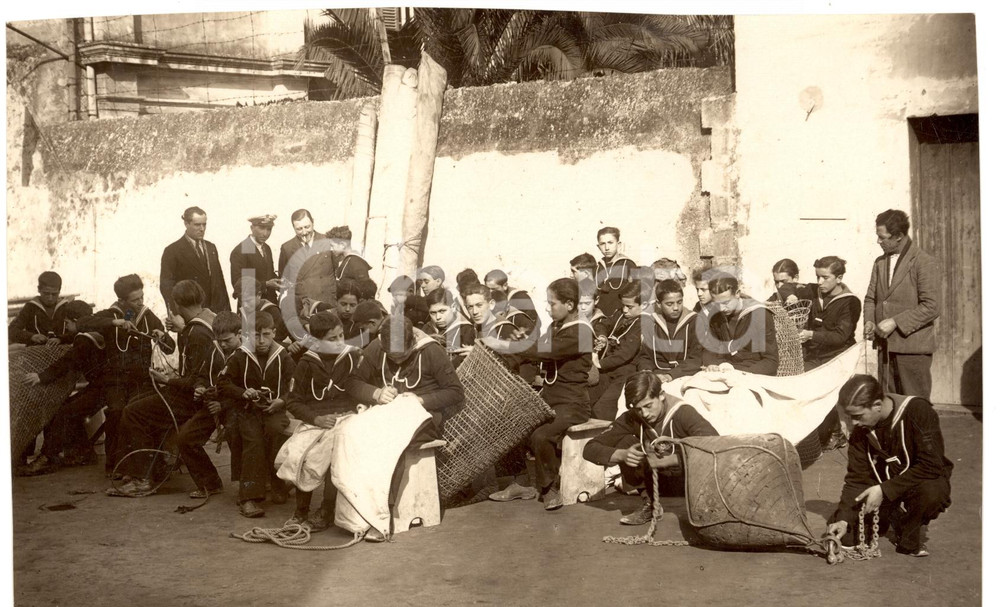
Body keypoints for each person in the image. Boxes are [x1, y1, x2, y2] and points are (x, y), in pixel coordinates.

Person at [110, 282, 236, 497]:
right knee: (140, 404)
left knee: (133, 412)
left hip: (197, 398)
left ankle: (144, 479)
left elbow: (197, 380)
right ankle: (154, 470)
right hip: (201, 393)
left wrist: (167, 380)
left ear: (176, 304)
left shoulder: (196, 333)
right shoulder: (208, 319)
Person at [486, 278, 593, 510]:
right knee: (508, 422)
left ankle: (549, 488)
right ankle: (519, 482)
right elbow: (536, 349)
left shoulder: (582, 332)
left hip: (572, 404)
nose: (548, 308)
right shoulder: (556, 326)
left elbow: (547, 352)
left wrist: (512, 346)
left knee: (541, 435)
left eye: (552, 304)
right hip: (550, 399)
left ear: (570, 305)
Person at [825, 374, 951, 557]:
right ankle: (891, 515)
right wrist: (843, 519)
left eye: (858, 416)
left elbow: (931, 465)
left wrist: (884, 490)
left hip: (916, 482)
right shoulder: (860, 430)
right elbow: (856, 479)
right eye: (850, 417)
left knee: (933, 492)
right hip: (882, 486)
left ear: (877, 405)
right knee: (848, 538)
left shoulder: (918, 411)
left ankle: (909, 528)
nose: (853, 423)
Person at [583, 371, 717, 525]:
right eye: (639, 408)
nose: (644, 414)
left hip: (687, 483)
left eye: (648, 406)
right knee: (625, 442)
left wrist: (670, 460)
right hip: (656, 485)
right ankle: (650, 504)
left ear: (661, 395)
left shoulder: (683, 413)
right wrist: (621, 455)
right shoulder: (633, 416)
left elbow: (714, 448)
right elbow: (590, 448)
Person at [77, 274, 177, 477]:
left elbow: (169, 348)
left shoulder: (147, 316)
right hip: (115, 381)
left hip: (142, 379)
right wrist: (115, 323)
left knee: (142, 412)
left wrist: (162, 336)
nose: (140, 303)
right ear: (122, 301)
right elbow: (83, 324)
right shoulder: (112, 314)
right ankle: (116, 465)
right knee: (116, 413)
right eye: (134, 300)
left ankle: (147, 464)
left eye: (141, 297)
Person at [284, 311, 377, 530]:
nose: (339, 342)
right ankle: (301, 511)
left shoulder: (353, 357)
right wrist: (316, 418)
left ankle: (327, 508)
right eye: (332, 338)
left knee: (337, 453)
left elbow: (361, 388)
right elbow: (293, 402)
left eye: (341, 336)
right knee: (305, 455)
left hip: (347, 417)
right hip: (316, 420)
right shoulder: (306, 363)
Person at [217, 312, 294, 518]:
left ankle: (277, 484)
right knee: (253, 442)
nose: (261, 341)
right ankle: (249, 496)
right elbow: (223, 383)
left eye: (266, 335)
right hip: (248, 411)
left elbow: (294, 387)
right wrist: (243, 392)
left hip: (274, 410)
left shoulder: (283, 356)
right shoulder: (240, 356)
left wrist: (282, 401)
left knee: (276, 431)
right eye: (256, 335)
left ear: (274, 333)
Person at [17, 300, 104, 476]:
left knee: (63, 412)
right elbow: (74, 337)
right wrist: (61, 338)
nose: (65, 325)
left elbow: (67, 361)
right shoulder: (96, 331)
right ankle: (83, 453)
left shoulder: (84, 340)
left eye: (67, 323)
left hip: (103, 389)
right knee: (69, 408)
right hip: (104, 386)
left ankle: (48, 457)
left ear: (76, 321)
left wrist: (41, 377)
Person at [863, 209, 941, 398]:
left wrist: (895, 322)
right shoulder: (879, 263)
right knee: (888, 405)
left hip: (912, 349)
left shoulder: (923, 262)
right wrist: (870, 321)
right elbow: (870, 299)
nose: (878, 242)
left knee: (915, 407)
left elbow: (931, 306)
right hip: (885, 348)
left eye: (882, 237)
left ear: (898, 236)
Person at [355, 315, 466, 437]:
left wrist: (420, 400)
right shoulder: (377, 346)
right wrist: (377, 393)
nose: (397, 361)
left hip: (423, 418)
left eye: (403, 356)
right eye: (392, 357)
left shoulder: (431, 351)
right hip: (387, 414)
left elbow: (456, 392)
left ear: (413, 342)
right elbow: (352, 382)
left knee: (391, 435)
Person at [701, 274, 778, 375]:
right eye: (716, 303)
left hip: (752, 372)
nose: (721, 308)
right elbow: (710, 348)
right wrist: (711, 364)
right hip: (723, 370)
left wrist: (738, 374)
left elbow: (770, 362)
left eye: (726, 302)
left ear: (737, 293)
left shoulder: (758, 315)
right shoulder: (716, 315)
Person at [591, 280, 645, 421]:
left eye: (630, 307)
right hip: (607, 369)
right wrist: (602, 336)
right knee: (587, 400)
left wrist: (599, 364)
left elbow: (625, 354)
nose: (625, 310)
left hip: (625, 372)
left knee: (602, 408)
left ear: (644, 305)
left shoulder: (643, 324)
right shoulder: (620, 314)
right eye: (623, 306)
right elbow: (603, 324)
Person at [160, 206, 230, 315]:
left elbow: (220, 282)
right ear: (186, 224)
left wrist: (227, 312)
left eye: (204, 224)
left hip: (216, 313)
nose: (202, 229)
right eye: (197, 225)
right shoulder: (172, 251)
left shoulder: (211, 247)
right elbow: (166, 287)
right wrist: (176, 314)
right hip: (191, 314)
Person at [637, 279, 704, 382]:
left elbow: (696, 359)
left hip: (685, 375)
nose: (676, 308)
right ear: (659, 304)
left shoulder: (694, 321)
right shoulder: (652, 322)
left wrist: (670, 375)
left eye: (679, 302)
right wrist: (647, 372)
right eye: (669, 304)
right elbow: (646, 356)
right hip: (656, 374)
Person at [800, 256, 861, 367]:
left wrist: (811, 335)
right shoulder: (812, 290)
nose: (819, 282)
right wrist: (790, 295)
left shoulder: (851, 301)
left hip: (839, 357)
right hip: (814, 357)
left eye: (825, 277)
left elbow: (840, 336)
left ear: (839, 278)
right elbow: (789, 286)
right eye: (817, 277)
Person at [8, 271, 76, 346]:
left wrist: (61, 338)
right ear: (39, 289)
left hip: (62, 349)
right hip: (36, 351)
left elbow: (78, 330)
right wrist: (31, 336)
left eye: (54, 294)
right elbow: (11, 330)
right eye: (46, 293)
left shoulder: (66, 306)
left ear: (59, 290)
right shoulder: (30, 307)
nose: (50, 298)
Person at [230, 214, 282, 304]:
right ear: (252, 228)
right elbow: (238, 284)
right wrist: (266, 284)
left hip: (271, 304)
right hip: (251, 308)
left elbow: (267, 273)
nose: (265, 233)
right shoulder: (241, 250)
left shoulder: (267, 248)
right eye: (261, 228)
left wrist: (279, 282)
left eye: (269, 229)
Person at [422, 289, 475, 368]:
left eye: (442, 311)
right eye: (433, 313)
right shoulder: (426, 329)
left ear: (453, 307)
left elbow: (464, 362)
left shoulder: (466, 329)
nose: (438, 317)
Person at [595, 227, 637, 317]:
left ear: (619, 244)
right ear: (598, 247)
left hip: (621, 315)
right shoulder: (597, 267)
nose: (606, 248)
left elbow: (636, 293)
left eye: (610, 243)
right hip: (600, 316)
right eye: (602, 244)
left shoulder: (628, 265)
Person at [235, 278, 288, 345]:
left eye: (248, 301)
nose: (244, 305)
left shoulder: (272, 311)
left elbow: (277, 338)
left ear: (259, 295)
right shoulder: (242, 313)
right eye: (241, 301)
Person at [484, 269, 538, 334]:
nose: (490, 293)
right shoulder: (489, 300)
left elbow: (534, 324)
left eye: (494, 289)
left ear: (505, 286)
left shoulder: (520, 298)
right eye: (487, 289)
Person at [277, 209, 318, 278]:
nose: (304, 232)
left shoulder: (327, 241)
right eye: (299, 229)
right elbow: (284, 279)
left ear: (313, 222)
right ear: (293, 227)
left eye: (307, 227)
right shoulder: (287, 248)